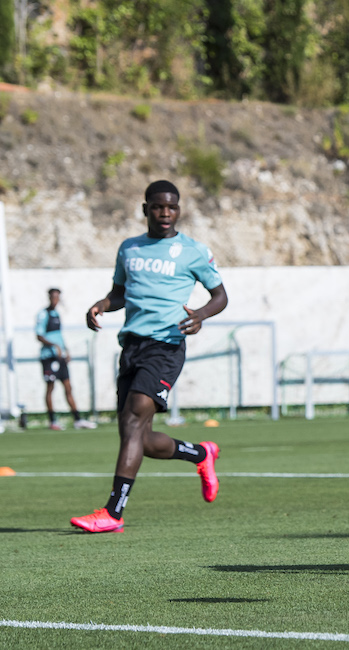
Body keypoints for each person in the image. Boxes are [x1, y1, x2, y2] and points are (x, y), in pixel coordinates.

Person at [70, 180, 228, 534]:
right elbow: (120, 292)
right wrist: (102, 304)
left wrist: (200, 315)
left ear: (179, 210)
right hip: (132, 347)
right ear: (146, 209)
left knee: (132, 420)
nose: (165, 213)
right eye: (158, 206)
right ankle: (201, 454)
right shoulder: (129, 248)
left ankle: (113, 512)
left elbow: (220, 296)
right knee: (138, 437)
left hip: (166, 346)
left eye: (172, 207)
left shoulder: (193, 251)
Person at [36, 288, 97, 430]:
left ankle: (77, 419)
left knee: (68, 386)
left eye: (57, 297)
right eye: (53, 297)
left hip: (60, 357)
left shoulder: (56, 314)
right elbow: (39, 335)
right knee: (50, 387)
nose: (55, 300)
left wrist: (66, 350)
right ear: (49, 298)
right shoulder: (43, 314)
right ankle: (52, 421)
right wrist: (54, 346)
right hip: (49, 357)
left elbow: (59, 335)